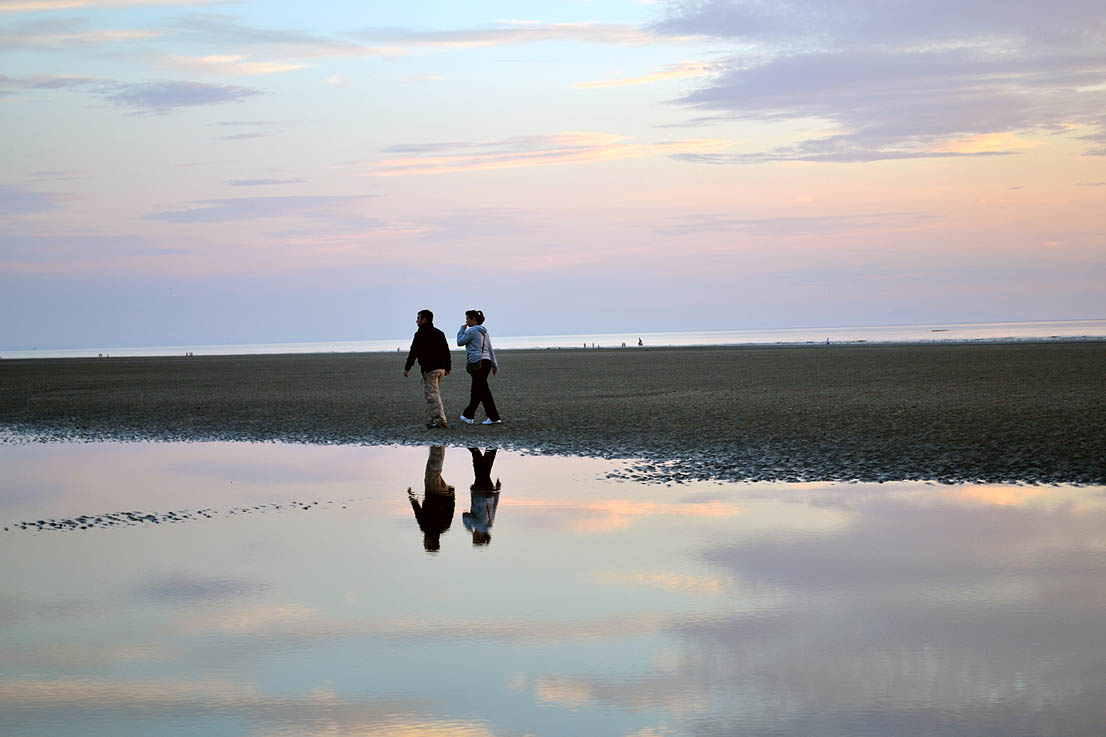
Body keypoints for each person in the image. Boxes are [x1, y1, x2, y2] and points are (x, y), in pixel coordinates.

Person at [404, 309, 452, 429]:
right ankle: (433, 420)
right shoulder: (439, 333)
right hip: (440, 369)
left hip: (430, 369)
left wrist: (407, 368)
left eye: (418, 318)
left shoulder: (420, 334)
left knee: (432, 395)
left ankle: (441, 421)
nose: (416, 321)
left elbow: (413, 352)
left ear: (424, 319)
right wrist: (448, 367)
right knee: (431, 394)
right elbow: (446, 351)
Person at [456, 309, 501, 425]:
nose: (466, 321)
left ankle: (493, 417)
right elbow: (490, 349)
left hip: (477, 362)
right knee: (477, 390)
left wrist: (462, 329)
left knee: (482, 391)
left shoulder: (472, 331)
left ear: (473, 319)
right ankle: (468, 416)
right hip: (486, 362)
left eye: (467, 319)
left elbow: (460, 342)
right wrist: (494, 365)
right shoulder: (485, 332)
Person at [408, 445, 455, 552]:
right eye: (426, 544)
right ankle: (437, 445)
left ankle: (440, 445)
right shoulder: (426, 528)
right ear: (430, 542)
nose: (423, 542)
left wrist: (452, 495)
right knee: (433, 469)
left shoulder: (445, 527)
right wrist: (412, 499)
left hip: (445, 493)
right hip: (433, 493)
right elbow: (418, 512)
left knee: (436, 470)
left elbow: (450, 509)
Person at [464, 447, 501, 546]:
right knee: (479, 468)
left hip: (490, 493)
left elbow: (494, 507)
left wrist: (497, 492)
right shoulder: (478, 526)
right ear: (479, 537)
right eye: (474, 538)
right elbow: (465, 516)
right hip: (480, 494)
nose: (473, 536)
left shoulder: (489, 525)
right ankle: (478, 449)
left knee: (483, 471)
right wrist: (469, 529)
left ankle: (491, 449)